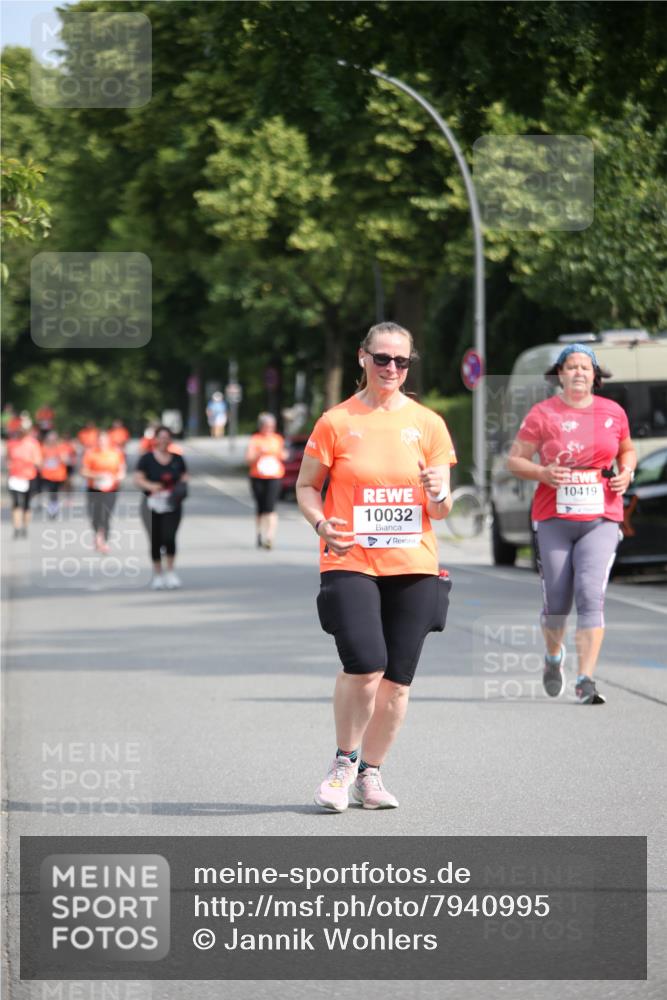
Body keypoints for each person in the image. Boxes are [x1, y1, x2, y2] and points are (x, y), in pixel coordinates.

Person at [296, 321, 456, 812]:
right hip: (350, 559)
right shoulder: (336, 421)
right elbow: (306, 487)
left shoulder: (428, 423)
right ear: (362, 357)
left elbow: (442, 510)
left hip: (413, 565)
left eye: (401, 361)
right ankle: (343, 763)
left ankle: (372, 774)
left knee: (397, 682)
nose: (391, 368)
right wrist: (321, 524)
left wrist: (438, 493)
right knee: (365, 665)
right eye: (382, 358)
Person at [507, 343, 637, 705]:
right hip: (553, 518)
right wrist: (542, 472)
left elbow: (627, 450)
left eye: (585, 366)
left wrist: (626, 472)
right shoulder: (543, 414)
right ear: (559, 375)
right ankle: (553, 657)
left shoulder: (613, 412)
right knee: (558, 601)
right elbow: (515, 460)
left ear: (596, 375)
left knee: (590, 594)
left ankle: (586, 680)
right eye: (571, 366)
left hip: (602, 517)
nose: (579, 372)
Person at [133, 425, 189, 590]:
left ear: (170, 439)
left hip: (172, 503)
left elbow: (184, 477)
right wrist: (151, 486)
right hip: (152, 503)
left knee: (169, 537)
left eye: (167, 437)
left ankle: (170, 572)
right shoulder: (147, 459)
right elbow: (138, 479)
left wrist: (180, 488)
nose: (164, 440)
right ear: (155, 439)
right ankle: (158, 574)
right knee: (155, 539)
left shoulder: (178, 459)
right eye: (161, 437)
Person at [246, 412, 288, 549]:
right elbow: (248, 459)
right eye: (267, 426)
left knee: (270, 507)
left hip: (274, 477)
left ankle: (269, 537)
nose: (269, 429)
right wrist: (259, 453)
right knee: (261, 507)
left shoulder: (277, 439)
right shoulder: (255, 439)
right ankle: (259, 533)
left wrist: (283, 454)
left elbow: (284, 455)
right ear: (261, 426)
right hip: (257, 477)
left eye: (272, 426)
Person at [80, 431, 126, 553]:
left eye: (104, 440)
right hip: (94, 489)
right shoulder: (90, 454)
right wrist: (97, 476)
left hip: (111, 489)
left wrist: (118, 477)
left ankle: (103, 541)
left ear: (108, 441)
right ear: (97, 441)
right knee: (95, 516)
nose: (102, 443)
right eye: (100, 441)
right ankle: (97, 534)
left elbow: (121, 470)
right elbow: (84, 471)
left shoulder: (116, 453)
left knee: (106, 515)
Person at [7, 427, 42, 538]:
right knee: (16, 503)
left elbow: (38, 461)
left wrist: (27, 461)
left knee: (26, 504)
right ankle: (16, 528)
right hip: (15, 477)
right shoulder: (11, 443)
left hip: (28, 477)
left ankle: (25, 527)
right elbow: (8, 458)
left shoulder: (33, 443)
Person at [40, 430, 68, 518]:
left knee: (55, 494)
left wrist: (60, 457)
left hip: (58, 475)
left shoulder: (60, 448)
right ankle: (52, 509)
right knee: (50, 493)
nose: (52, 441)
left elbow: (65, 460)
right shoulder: (44, 448)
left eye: (53, 439)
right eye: (50, 439)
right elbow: (40, 461)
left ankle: (54, 509)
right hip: (47, 475)